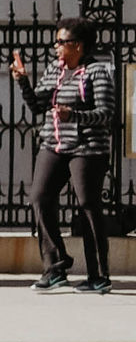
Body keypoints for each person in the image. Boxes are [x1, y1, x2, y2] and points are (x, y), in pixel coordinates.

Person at [11, 21, 117, 294]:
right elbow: (37, 105)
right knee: (39, 198)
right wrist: (23, 80)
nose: (56, 47)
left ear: (78, 46)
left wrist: (74, 115)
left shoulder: (97, 72)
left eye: (61, 42)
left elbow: (106, 114)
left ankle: (99, 275)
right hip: (54, 144)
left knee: (88, 206)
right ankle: (55, 266)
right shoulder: (55, 70)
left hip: (88, 149)